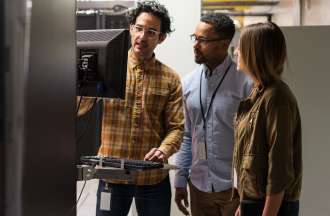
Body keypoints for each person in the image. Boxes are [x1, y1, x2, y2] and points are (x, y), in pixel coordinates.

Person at [78, 1, 184, 216]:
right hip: (112, 174)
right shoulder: (108, 67)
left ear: (161, 38)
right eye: (138, 28)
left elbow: (177, 128)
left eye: (151, 32)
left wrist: (164, 149)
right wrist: (84, 79)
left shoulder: (170, 78)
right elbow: (78, 109)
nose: (142, 37)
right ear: (130, 28)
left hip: (152, 178)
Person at [174, 14, 252, 216]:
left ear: (224, 44)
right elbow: (187, 135)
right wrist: (180, 180)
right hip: (199, 187)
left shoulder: (245, 84)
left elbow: (252, 143)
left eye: (203, 40)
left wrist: (248, 193)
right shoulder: (188, 83)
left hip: (234, 189)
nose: (195, 45)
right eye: (195, 37)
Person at [233, 22, 302, 216]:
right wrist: (243, 203)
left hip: (270, 207)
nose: (237, 51)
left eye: (241, 46)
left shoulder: (276, 97)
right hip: (254, 203)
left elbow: (279, 167)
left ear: (255, 52)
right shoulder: (259, 94)